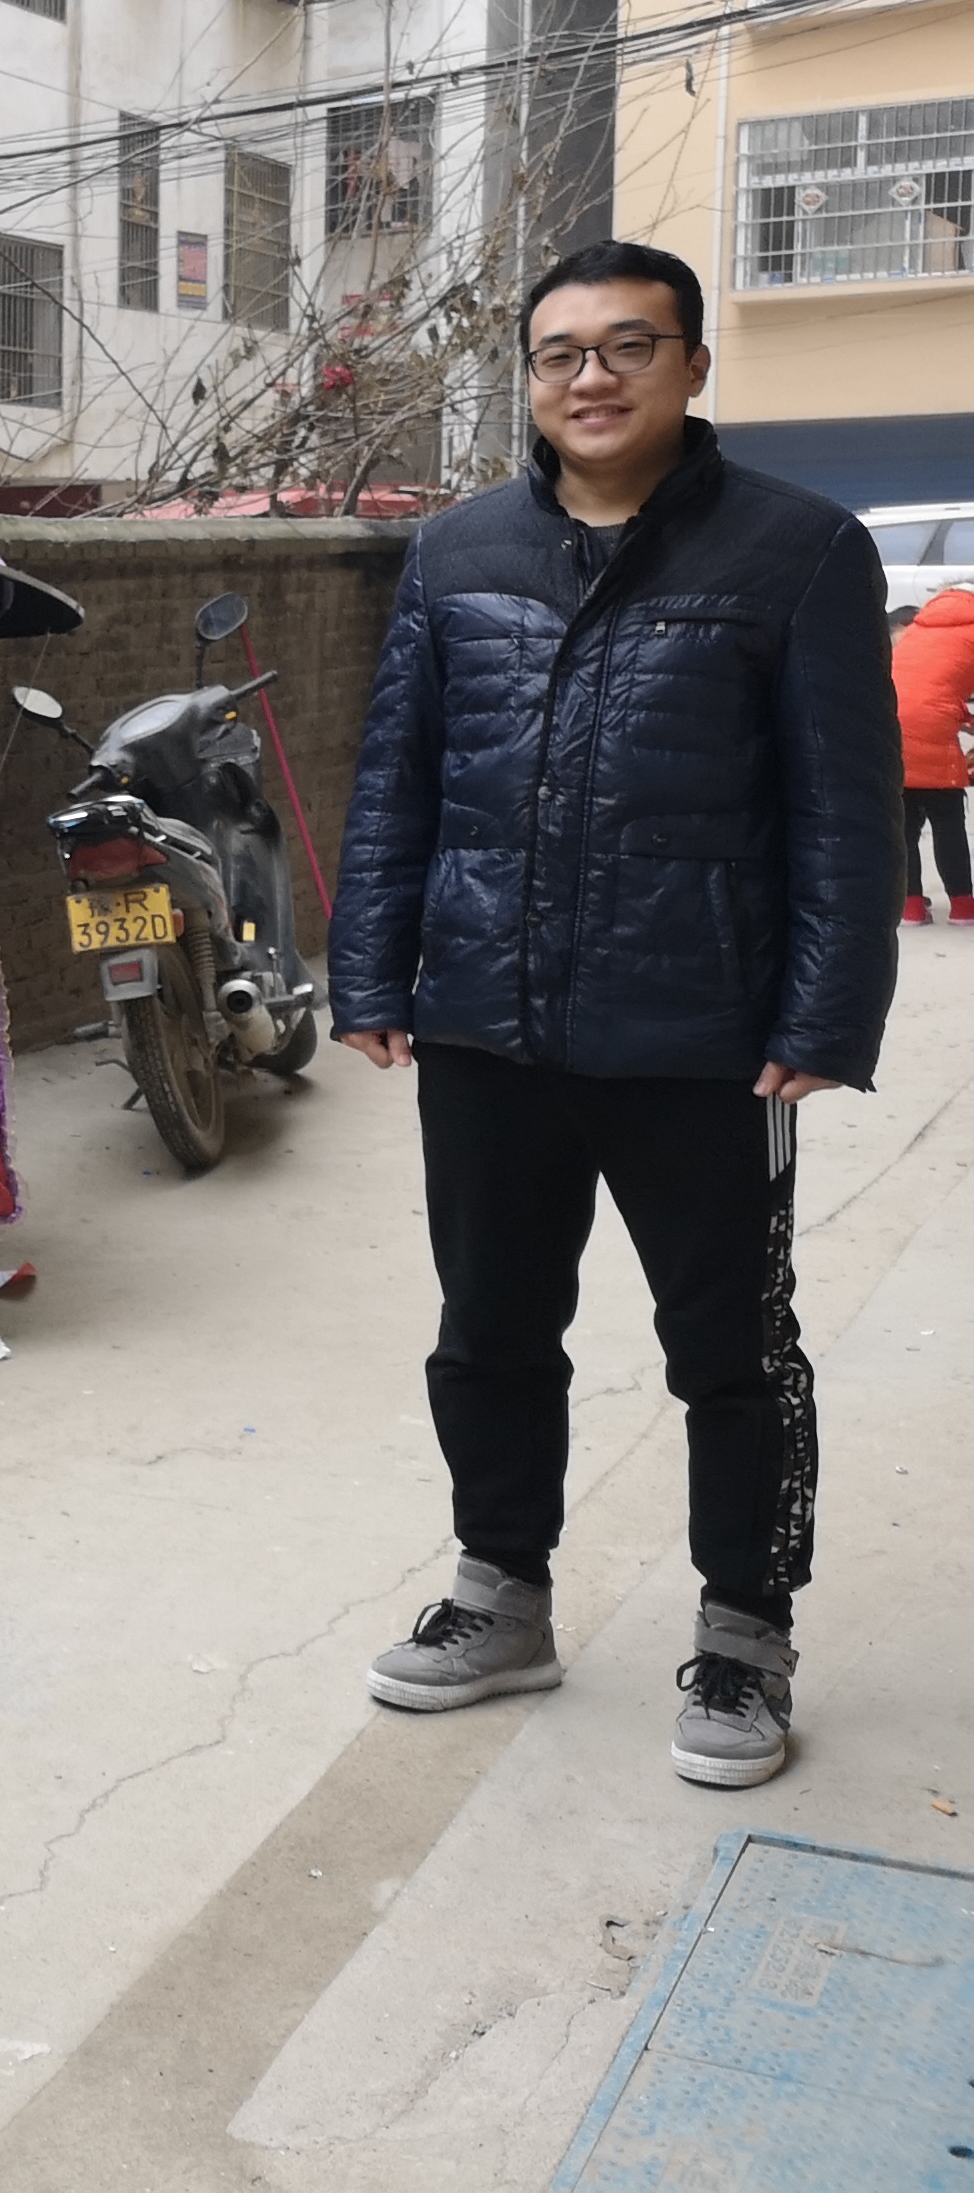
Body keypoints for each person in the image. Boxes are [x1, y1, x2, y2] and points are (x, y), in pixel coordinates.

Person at [331, 239, 896, 1789]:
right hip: (484, 1025)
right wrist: (370, 968)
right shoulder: (457, 551)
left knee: (733, 1351)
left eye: (629, 346)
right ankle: (501, 1595)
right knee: (490, 1332)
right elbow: (398, 777)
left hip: (702, 1037)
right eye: (560, 351)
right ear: (529, 378)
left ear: (693, 367)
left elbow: (845, 809)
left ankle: (746, 1633)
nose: (592, 376)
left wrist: (826, 1013)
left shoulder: (799, 550)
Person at [892, 581, 974, 924]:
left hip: (891, 727)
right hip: (935, 731)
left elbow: (926, 687)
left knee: (905, 827)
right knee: (948, 823)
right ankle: (963, 907)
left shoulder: (916, 630)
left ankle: (910, 907)